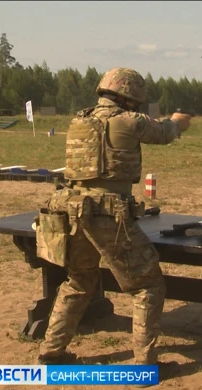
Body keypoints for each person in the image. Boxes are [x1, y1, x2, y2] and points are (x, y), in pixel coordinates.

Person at [35, 67, 192, 370]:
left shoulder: (79, 120)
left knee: (79, 281)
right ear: (130, 97)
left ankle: (51, 352)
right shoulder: (129, 121)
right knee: (147, 285)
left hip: (72, 210)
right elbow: (163, 133)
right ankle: (144, 366)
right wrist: (178, 122)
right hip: (107, 214)